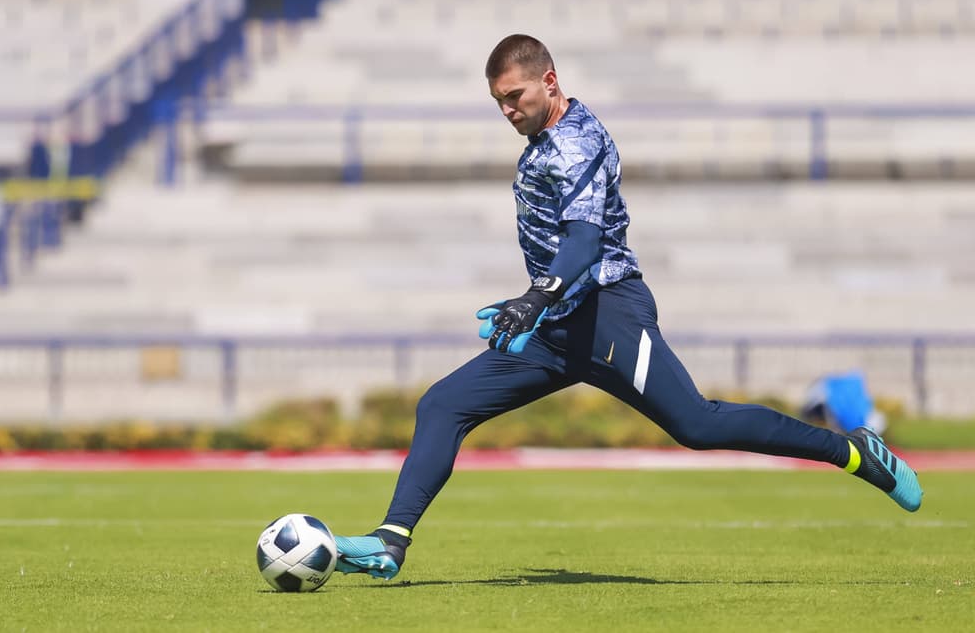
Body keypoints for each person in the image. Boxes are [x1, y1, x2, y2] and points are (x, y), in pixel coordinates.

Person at [331, 33, 923, 581]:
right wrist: (538, 303)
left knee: (696, 425)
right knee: (444, 404)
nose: (508, 110)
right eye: (498, 102)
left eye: (516, 96)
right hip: (559, 322)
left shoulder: (578, 139)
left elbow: (586, 244)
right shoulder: (542, 141)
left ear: (551, 82)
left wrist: (535, 296)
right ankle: (391, 541)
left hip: (609, 313)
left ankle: (851, 451)